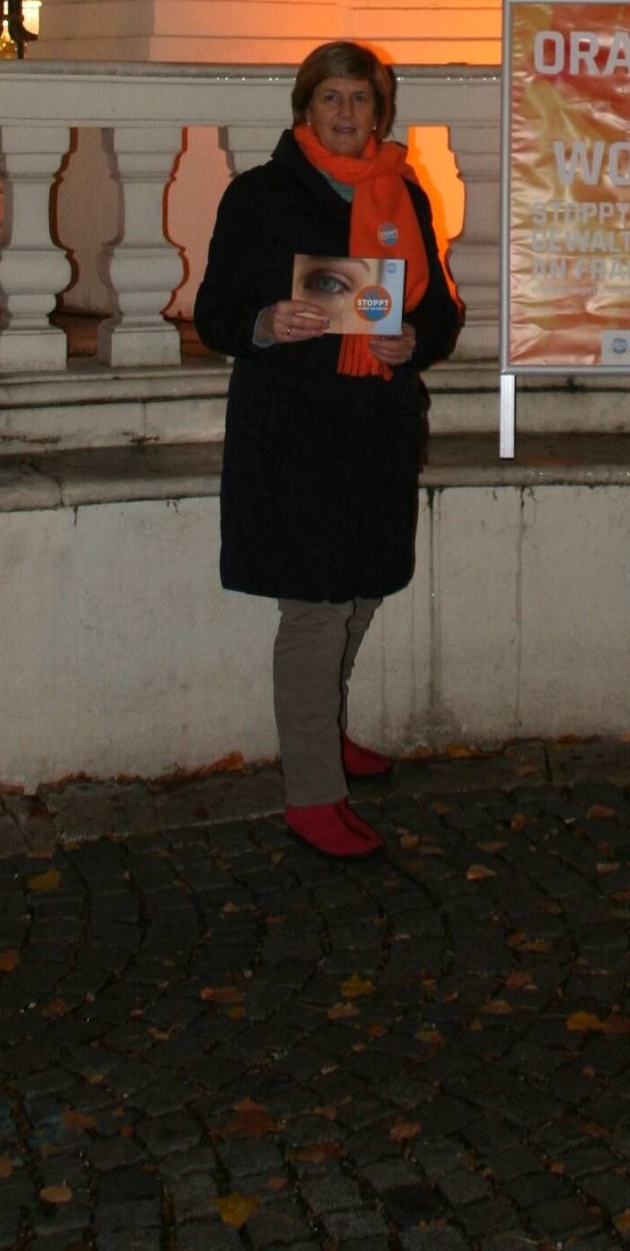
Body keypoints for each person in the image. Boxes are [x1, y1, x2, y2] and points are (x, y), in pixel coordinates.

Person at [195, 42, 463, 860]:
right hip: (294, 429)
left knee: (364, 589)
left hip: (375, 423)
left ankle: (326, 732)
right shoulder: (259, 195)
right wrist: (264, 323)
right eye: (330, 100)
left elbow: (440, 313)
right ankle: (312, 793)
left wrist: (413, 339)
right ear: (303, 109)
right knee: (314, 608)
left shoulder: (402, 190)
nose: (346, 115)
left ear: (379, 112)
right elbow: (214, 312)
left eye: (359, 100)